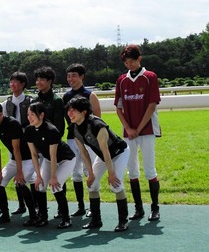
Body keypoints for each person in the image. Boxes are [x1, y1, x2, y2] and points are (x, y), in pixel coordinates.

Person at [66, 97, 130, 231]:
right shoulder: (74, 128)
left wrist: (111, 173)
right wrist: (90, 173)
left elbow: (106, 149)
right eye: (69, 111)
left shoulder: (96, 125)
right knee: (92, 185)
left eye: (73, 111)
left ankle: (123, 221)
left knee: (116, 185)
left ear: (83, 112)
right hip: (103, 156)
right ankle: (96, 220)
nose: (69, 114)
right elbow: (83, 152)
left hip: (119, 153)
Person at [115, 44, 161, 221]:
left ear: (139, 59)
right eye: (126, 62)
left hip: (147, 130)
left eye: (132, 61)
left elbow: (151, 106)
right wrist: (128, 128)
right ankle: (138, 208)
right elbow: (119, 108)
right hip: (129, 133)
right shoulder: (121, 80)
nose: (129, 65)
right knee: (132, 170)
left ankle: (155, 208)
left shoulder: (150, 77)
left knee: (150, 169)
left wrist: (138, 129)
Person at [0, 100, 38, 226]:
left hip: (28, 159)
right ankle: (5, 215)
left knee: (21, 182)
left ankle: (34, 215)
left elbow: (16, 149)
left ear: (1, 114)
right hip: (14, 159)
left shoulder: (13, 123)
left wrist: (19, 173)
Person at [25, 102, 76, 228]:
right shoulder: (29, 130)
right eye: (28, 114)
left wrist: (53, 177)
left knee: (55, 186)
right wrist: (38, 176)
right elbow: (33, 154)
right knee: (40, 185)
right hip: (48, 159)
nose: (29, 117)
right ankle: (43, 217)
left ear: (41, 115)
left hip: (66, 159)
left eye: (32, 114)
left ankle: (66, 219)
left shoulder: (51, 130)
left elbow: (54, 155)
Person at [62, 63, 101, 217]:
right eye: (68, 76)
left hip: (89, 140)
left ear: (81, 77)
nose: (70, 79)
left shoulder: (90, 95)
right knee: (75, 173)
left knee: (89, 172)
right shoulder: (66, 96)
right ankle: (80, 206)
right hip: (72, 138)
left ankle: (93, 206)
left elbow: (98, 118)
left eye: (74, 76)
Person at [31, 66, 66, 219]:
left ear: (50, 81)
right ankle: (40, 211)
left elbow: (59, 127)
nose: (38, 82)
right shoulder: (34, 100)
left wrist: (51, 142)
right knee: (37, 179)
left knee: (57, 179)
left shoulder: (57, 100)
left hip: (53, 145)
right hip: (38, 146)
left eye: (41, 79)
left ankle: (62, 210)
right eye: (37, 79)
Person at [1, 71, 37, 215]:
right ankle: (21, 205)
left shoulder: (31, 101)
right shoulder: (6, 103)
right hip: (13, 141)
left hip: (29, 141)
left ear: (23, 84)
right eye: (11, 82)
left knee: (32, 175)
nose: (12, 85)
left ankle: (36, 204)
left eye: (16, 82)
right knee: (16, 170)